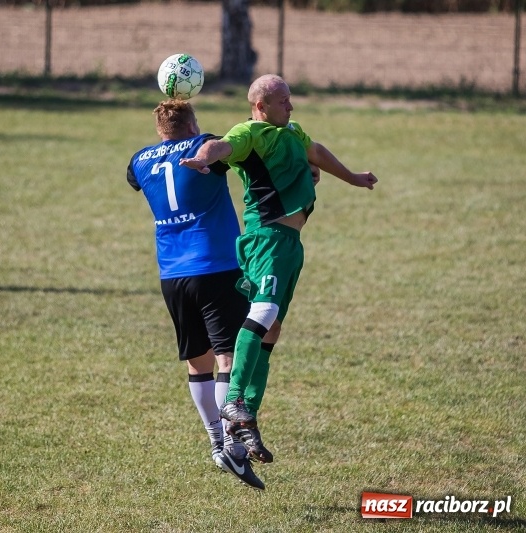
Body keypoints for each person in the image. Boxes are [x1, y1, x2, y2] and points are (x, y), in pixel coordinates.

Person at [180, 74, 378, 467]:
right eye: (283, 100)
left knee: (272, 329)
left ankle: (246, 417)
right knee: (264, 311)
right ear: (261, 106)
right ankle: (234, 398)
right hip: (266, 238)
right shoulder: (251, 133)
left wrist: (353, 178)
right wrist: (203, 158)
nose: (291, 105)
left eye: (289, 98)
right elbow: (221, 145)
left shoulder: (293, 131)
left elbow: (316, 151)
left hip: (290, 244)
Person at [127, 99, 265, 490]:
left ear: (160, 130)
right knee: (228, 357)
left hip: (172, 275)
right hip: (215, 265)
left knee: (197, 362)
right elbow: (234, 151)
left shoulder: (138, 161)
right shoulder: (203, 145)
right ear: (192, 125)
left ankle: (216, 443)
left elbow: (135, 179)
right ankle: (233, 447)